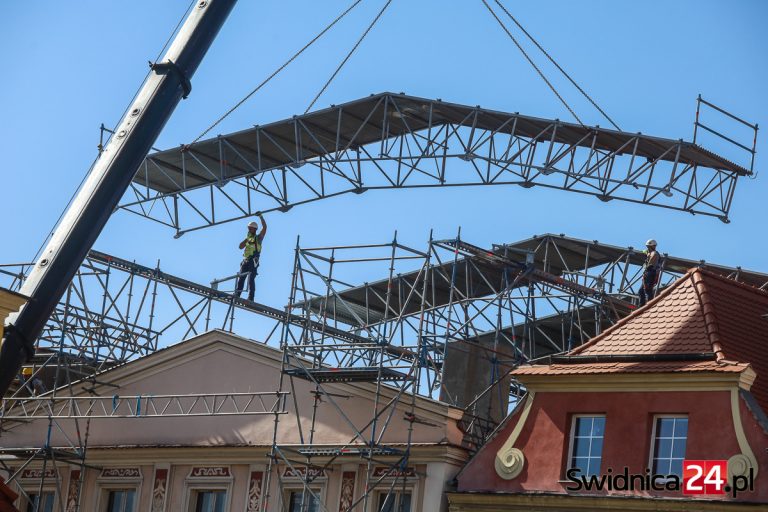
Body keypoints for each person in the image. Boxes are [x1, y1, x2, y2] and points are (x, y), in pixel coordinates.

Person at [235, 214, 267, 301]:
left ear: (255, 229)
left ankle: (251, 297)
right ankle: (237, 294)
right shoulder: (248, 239)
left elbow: (264, 228)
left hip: (253, 260)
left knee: (251, 279)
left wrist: (261, 217)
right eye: (249, 228)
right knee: (241, 277)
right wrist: (247, 239)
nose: (249, 229)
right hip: (246, 260)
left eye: (251, 228)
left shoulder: (258, 238)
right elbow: (240, 246)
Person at [638, 239, 660, 306]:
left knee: (648, 291)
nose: (647, 248)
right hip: (648, 273)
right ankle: (641, 306)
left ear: (651, 246)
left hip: (650, 273)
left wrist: (647, 269)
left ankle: (650, 306)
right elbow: (647, 253)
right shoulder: (650, 253)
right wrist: (645, 253)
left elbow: (651, 264)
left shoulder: (654, 254)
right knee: (641, 291)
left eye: (648, 247)